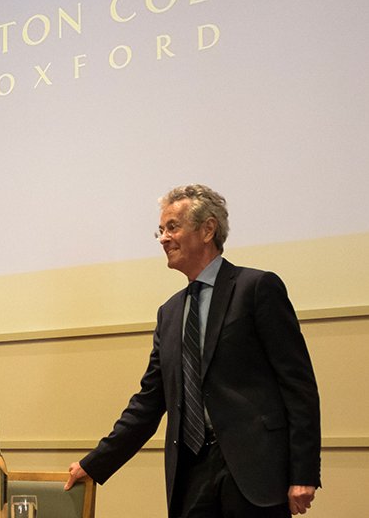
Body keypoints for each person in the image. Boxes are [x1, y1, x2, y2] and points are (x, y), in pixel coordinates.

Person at [64, 184, 320, 517]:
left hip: (253, 474)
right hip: (191, 474)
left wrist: (303, 474)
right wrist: (95, 464)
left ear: (207, 229)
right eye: (160, 230)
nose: (163, 238)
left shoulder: (256, 288)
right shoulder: (169, 313)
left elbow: (298, 386)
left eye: (172, 227)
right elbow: (148, 403)